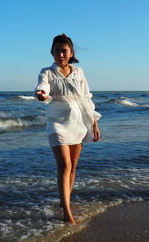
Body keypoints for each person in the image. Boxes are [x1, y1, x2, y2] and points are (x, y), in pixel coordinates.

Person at [35, 34, 101, 224]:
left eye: (64, 51)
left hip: (79, 122)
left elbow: (86, 98)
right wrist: (41, 94)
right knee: (64, 165)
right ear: (52, 52)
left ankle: (65, 202)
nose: (60, 54)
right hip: (57, 123)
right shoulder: (46, 72)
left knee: (73, 166)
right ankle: (67, 212)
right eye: (57, 51)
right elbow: (43, 87)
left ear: (71, 53)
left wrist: (94, 122)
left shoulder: (79, 72)